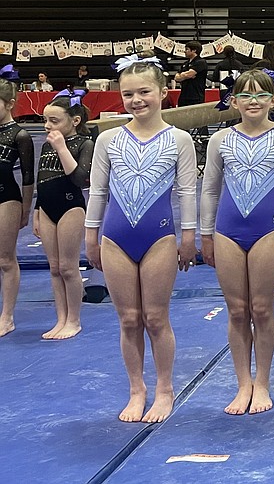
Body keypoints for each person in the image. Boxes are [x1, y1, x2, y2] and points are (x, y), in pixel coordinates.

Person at [85, 56, 198, 423]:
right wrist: (91, 236)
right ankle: (137, 389)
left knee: (155, 317)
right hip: (115, 237)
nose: (137, 100)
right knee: (129, 319)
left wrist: (189, 237)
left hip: (160, 237)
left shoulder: (179, 139)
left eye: (145, 92)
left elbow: (186, 193)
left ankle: (165, 388)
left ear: (163, 93)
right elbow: (99, 192)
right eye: (128, 93)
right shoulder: (108, 139)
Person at [200, 69, 274, 416]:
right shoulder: (221, 140)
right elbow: (211, 189)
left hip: (268, 232)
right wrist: (205, 234)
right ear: (233, 102)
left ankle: (262, 382)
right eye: (245, 95)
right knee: (236, 310)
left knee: (261, 308)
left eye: (262, 94)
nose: (254, 101)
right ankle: (243, 382)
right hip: (227, 232)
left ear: (273, 101)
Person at [35, 89, 94, 340]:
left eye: (54, 121)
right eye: (45, 120)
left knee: (69, 268)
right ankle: (60, 318)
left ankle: (74, 320)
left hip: (71, 207)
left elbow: (81, 180)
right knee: (55, 268)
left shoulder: (85, 143)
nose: (48, 125)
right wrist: (37, 212)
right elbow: (41, 179)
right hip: (47, 208)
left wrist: (60, 147)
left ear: (75, 121)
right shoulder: (48, 142)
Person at [0, 74, 34, 336]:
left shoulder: (19, 135)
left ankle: (7, 316)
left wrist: (25, 209)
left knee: (5, 259)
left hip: (6, 199)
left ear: (10, 103)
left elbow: (28, 177)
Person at [174, 41, 208, 107]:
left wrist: (184, 75)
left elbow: (188, 75)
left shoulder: (201, 62)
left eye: (187, 49)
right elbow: (176, 78)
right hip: (183, 96)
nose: (184, 51)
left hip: (196, 97)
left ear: (194, 50)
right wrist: (185, 75)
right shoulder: (185, 64)